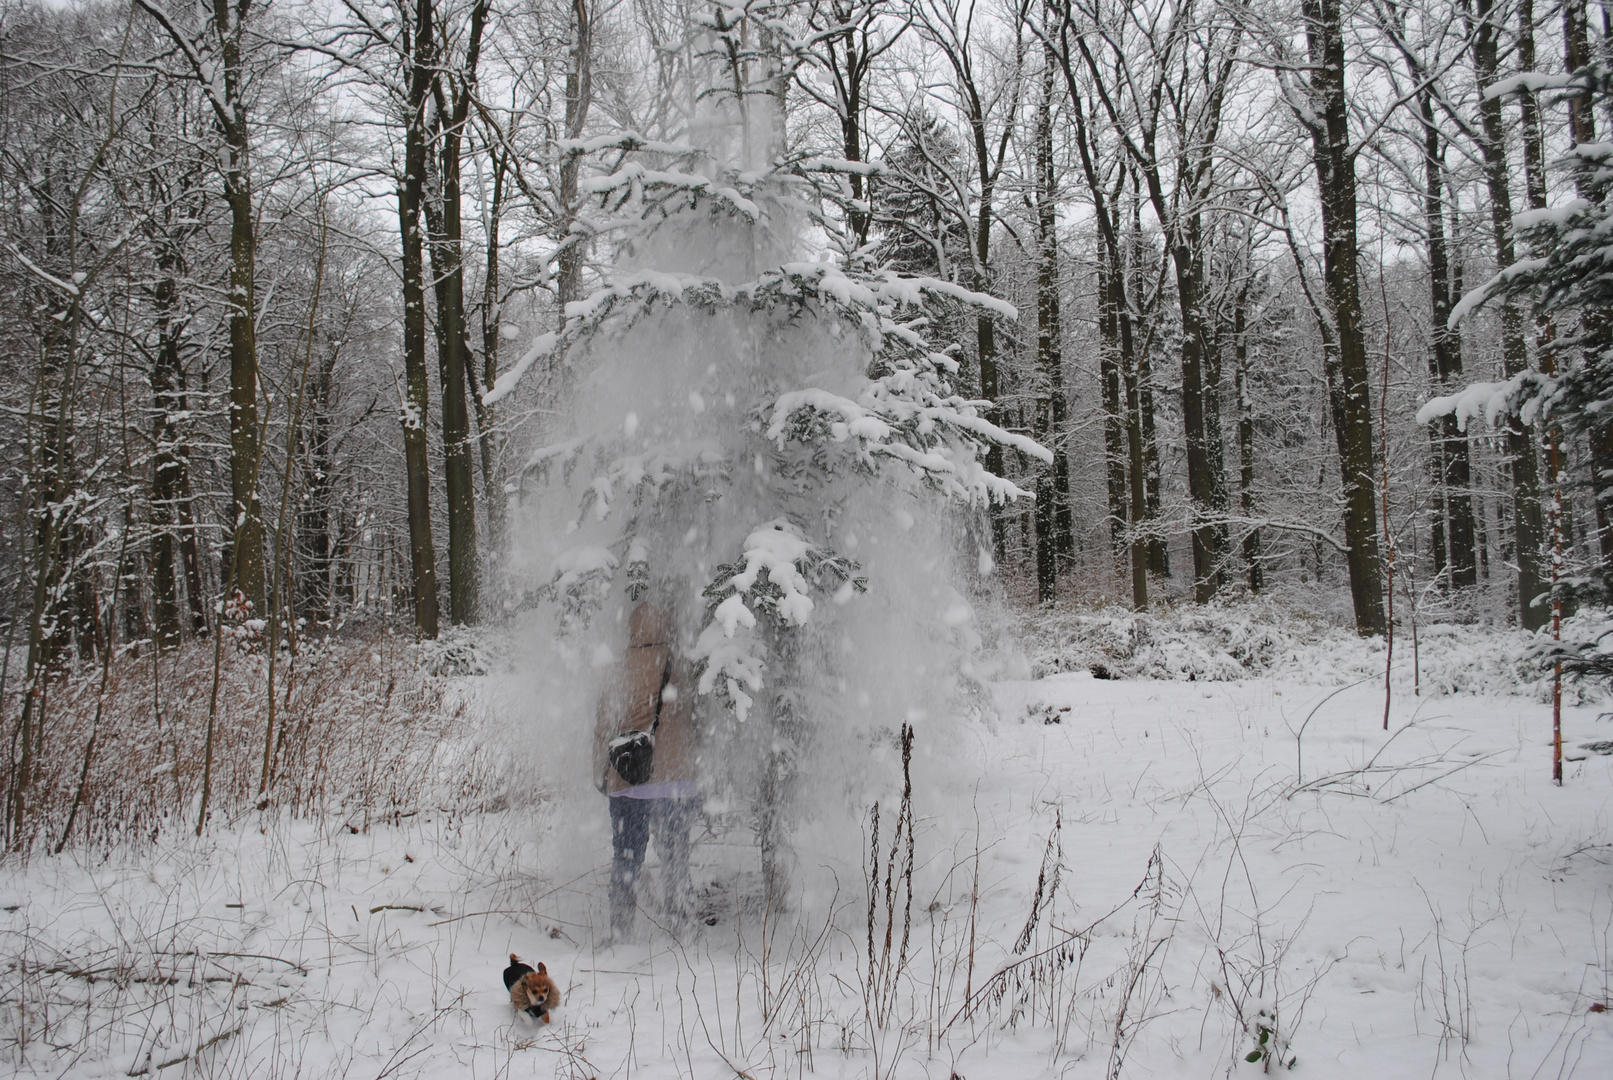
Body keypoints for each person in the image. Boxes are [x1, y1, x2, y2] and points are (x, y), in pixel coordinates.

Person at [594, 600, 700, 940]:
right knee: (676, 856)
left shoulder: (617, 668)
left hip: (628, 781)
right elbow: (698, 720)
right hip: (676, 783)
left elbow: (602, 727)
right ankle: (681, 924)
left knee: (626, 858)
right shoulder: (681, 665)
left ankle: (620, 930)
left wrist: (601, 774)